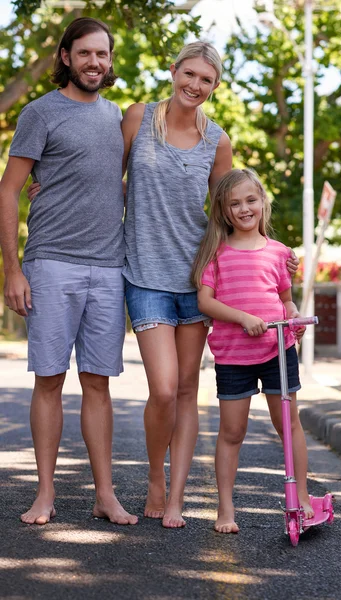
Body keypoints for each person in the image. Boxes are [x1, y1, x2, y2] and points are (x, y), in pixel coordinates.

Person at [121, 43, 299, 528]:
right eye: (190, 74)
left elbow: (231, 212)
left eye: (207, 80)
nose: (195, 85)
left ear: (214, 87)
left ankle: (176, 498)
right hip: (144, 274)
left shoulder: (216, 139)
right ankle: (156, 476)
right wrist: (51, 184)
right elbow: (106, 181)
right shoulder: (138, 118)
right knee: (161, 388)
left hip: (198, 276)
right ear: (174, 70)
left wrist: (273, 257)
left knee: (185, 388)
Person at [0, 18, 137, 525]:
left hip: (108, 267)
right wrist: (13, 270)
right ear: (65, 56)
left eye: (102, 55)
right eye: (85, 54)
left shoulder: (116, 116)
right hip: (51, 262)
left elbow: (110, 184)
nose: (95, 63)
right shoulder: (40, 113)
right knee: (50, 380)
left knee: (99, 383)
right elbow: (8, 188)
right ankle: (44, 494)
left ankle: (105, 494)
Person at [191, 168, 313, 534]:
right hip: (233, 356)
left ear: (262, 202)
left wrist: (293, 317)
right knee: (232, 431)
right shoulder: (216, 252)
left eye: (251, 200)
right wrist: (243, 318)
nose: (244, 208)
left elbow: (285, 300)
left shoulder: (279, 253)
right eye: (235, 203)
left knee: (288, 425)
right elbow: (205, 302)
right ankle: (225, 509)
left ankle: (302, 497)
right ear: (224, 212)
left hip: (278, 351)